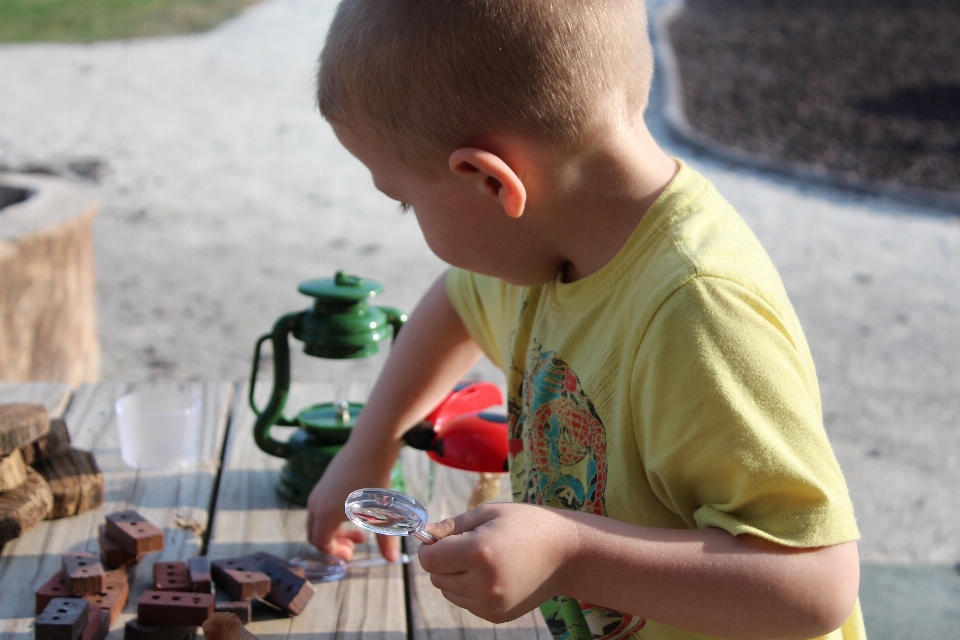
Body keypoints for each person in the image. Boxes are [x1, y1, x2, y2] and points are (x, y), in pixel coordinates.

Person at [306, 1, 864, 639]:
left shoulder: (698, 311)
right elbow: (456, 302)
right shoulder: (551, 246)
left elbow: (814, 587)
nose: (412, 220)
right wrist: (371, 446)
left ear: (490, 181)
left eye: (405, 202)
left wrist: (571, 553)